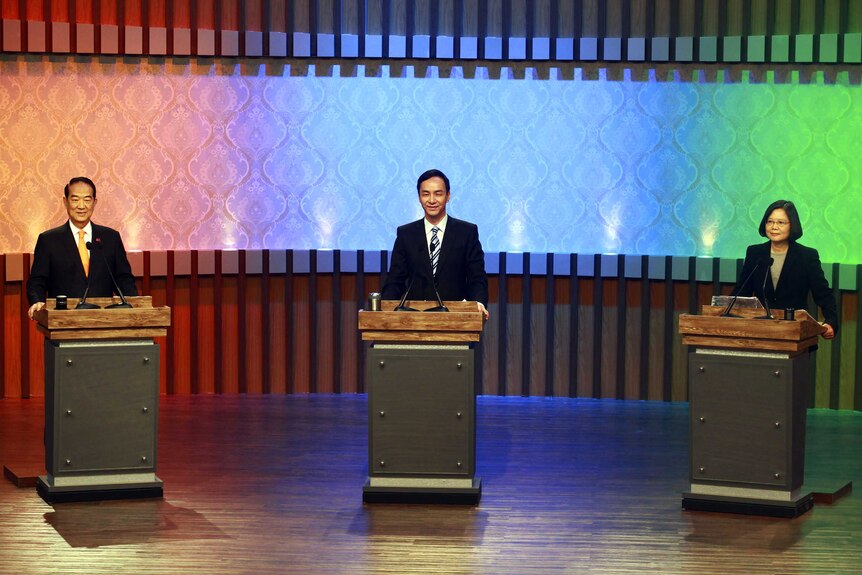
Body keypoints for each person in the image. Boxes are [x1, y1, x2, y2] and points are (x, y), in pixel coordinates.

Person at [381, 169, 489, 319]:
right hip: (414, 319)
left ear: (448, 196)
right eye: (426, 194)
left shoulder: (467, 232)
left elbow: (476, 278)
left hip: (455, 318)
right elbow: (395, 280)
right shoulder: (406, 234)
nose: (431, 200)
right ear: (419, 197)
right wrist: (385, 309)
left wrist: (478, 302)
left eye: (438, 193)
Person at [27, 176, 138, 319]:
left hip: (104, 320)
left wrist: (136, 304)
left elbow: (124, 279)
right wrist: (37, 301)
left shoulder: (111, 238)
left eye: (87, 199)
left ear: (94, 202)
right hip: (63, 321)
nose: (81, 206)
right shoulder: (48, 240)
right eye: (75, 199)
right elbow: (37, 281)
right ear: (65, 202)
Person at [734, 200, 837, 339]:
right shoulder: (755, 252)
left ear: (792, 226)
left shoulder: (806, 256)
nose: (774, 227)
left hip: (795, 332)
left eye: (781, 223)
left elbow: (823, 293)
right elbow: (741, 292)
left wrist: (830, 322)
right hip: (758, 331)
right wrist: (722, 313)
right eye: (769, 221)